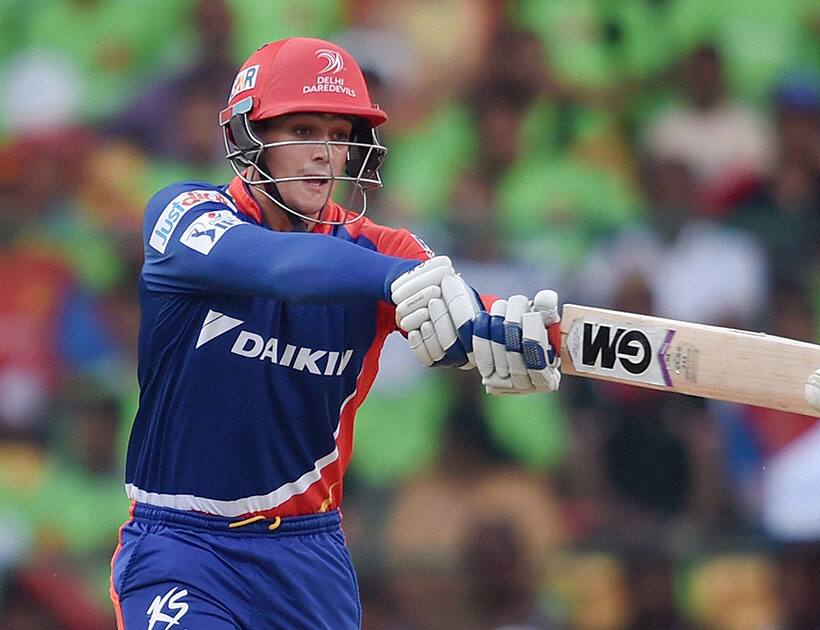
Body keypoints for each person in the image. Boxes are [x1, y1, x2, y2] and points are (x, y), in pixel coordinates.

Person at [108, 37, 561, 629]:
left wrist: (514, 334)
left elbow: (461, 320)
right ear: (250, 140)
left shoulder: (386, 253)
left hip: (307, 559)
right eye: (300, 131)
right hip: (181, 549)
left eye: (337, 133)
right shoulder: (184, 217)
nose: (324, 153)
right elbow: (281, 266)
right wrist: (403, 279)